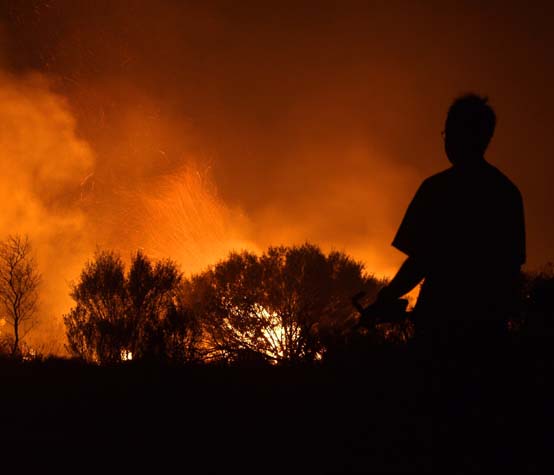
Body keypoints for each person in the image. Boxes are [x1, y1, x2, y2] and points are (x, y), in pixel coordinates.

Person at [376, 93, 526, 355]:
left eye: (449, 132)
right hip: (490, 334)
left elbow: (419, 261)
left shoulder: (436, 190)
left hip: (439, 330)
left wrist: (386, 299)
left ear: (459, 135)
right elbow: (512, 267)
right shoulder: (507, 192)